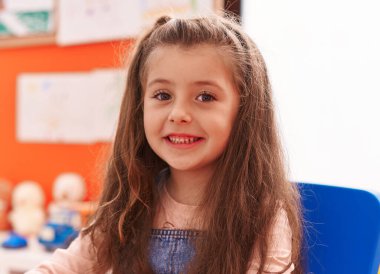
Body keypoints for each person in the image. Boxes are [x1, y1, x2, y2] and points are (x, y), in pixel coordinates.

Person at [27, 13, 302, 274]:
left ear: (244, 110)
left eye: (205, 97)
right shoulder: (131, 198)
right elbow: (69, 265)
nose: (178, 114)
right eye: (162, 95)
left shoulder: (263, 214)